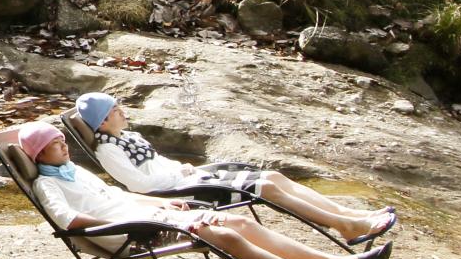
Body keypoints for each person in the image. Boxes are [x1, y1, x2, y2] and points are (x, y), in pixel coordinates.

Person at [14, 122, 388, 259]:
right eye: (54, 145)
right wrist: (138, 221)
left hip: (146, 219)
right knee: (224, 236)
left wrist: (158, 205)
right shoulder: (48, 186)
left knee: (240, 222)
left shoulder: (76, 171)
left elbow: (118, 194)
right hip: (129, 234)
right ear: (38, 155)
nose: (63, 146)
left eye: (63, 141)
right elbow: (68, 222)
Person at [72, 92, 396, 245]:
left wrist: (181, 166)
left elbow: (159, 162)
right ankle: (344, 225)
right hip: (179, 190)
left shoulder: (128, 136)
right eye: (115, 109)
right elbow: (140, 185)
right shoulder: (109, 150)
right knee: (266, 189)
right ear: (102, 120)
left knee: (272, 176)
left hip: (187, 176)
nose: (122, 111)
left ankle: (350, 216)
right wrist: (180, 174)